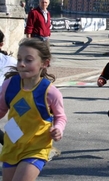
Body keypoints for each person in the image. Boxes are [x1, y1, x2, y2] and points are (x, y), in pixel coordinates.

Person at [0, 38, 67, 180]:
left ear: (45, 63)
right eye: (19, 59)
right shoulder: (9, 85)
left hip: (36, 148)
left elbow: (60, 117)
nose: (22, 64)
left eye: (28, 60)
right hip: (12, 146)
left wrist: (58, 129)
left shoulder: (50, 92)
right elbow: (1, 110)